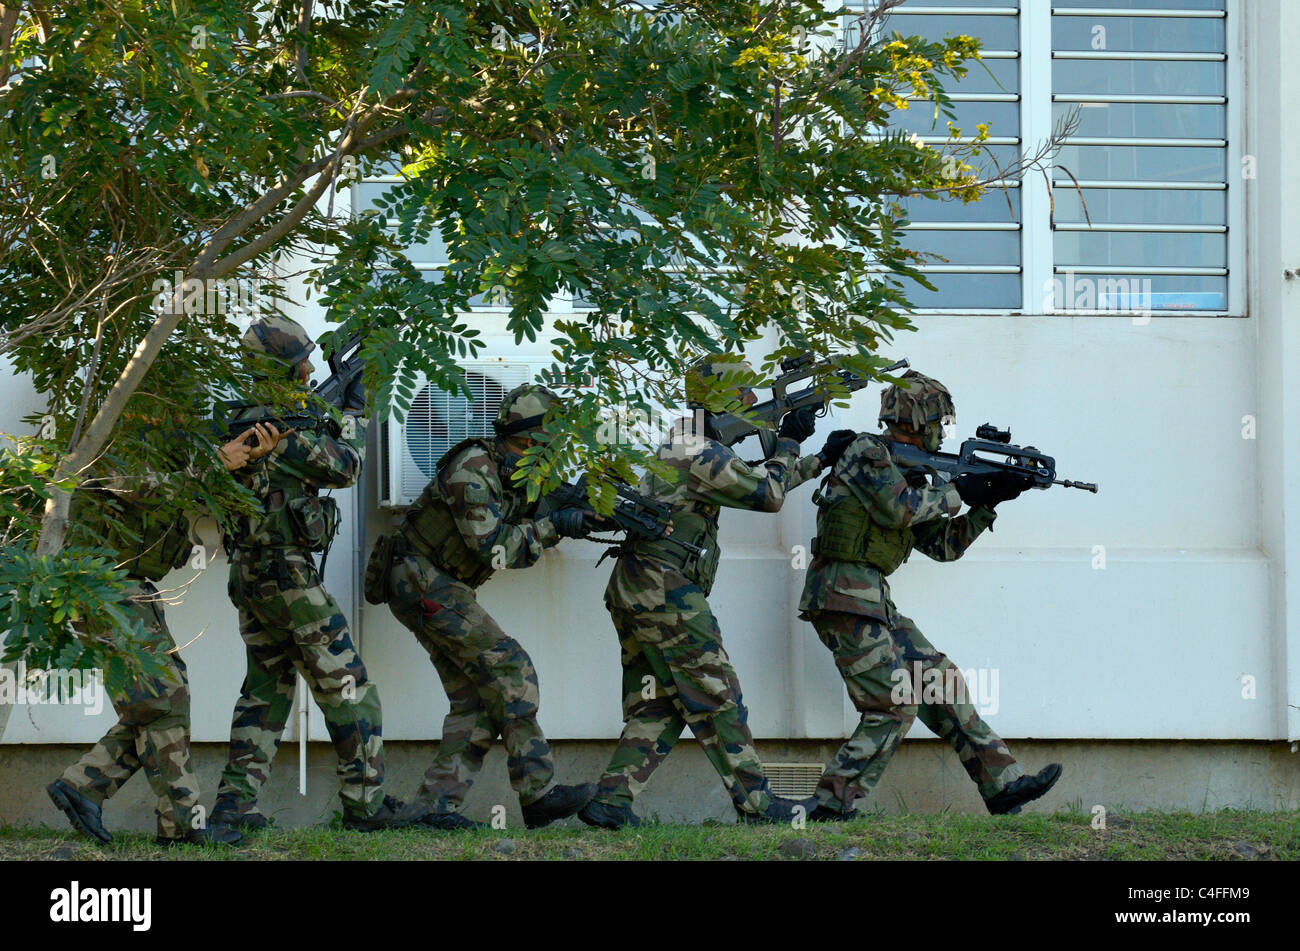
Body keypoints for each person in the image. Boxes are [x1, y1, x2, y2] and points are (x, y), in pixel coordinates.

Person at [578, 355, 840, 828]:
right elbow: (767, 496)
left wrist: (819, 460)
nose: (753, 401)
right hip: (664, 590)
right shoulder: (699, 449)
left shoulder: (688, 443)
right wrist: (789, 441)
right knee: (718, 695)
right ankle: (758, 805)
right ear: (723, 398)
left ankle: (610, 802)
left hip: (641, 585)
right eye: (746, 393)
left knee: (661, 701)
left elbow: (756, 485)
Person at [799, 369, 1062, 821]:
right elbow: (900, 510)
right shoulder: (869, 453)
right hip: (841, 596)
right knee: (894, 704)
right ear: (921, 420)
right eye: (940, 421)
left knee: (940, 681)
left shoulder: (912, 474)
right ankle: (830, 805)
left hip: (872, 600)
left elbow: (944, 546)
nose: (943, 430)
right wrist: (960, 488)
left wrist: (988, 501)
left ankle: (1002, 785)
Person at [210, 316, 426, 833]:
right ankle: (366, 808)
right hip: (287, 581)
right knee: (350, 688)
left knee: (266, 690)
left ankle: (228, 814)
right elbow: (346, 467)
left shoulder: (241, 416)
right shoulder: (274, 430)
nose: (308, 368)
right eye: (299, 361)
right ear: (279, 370)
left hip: (250, 576)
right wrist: (357, 407)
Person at [368, 383, 598, 830]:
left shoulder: (517, 470)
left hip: (439, 582)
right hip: (419, 579)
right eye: (550, 445)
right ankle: (538, 794)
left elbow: (530, 509)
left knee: (476, 701)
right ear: (530, 441)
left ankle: (430, 810)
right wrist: (555, 527)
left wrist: (580, 510)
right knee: (510, 668)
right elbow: (493, 549)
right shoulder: (472, 468)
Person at [47, 422, 282, 846]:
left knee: (161, 700)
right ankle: (177, 825)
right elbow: (134, 484)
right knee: (162, 700)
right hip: (98, 583)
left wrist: (245, 465)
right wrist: (213, 464)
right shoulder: (120, 436)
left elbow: (217, 502)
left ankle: (86, 786)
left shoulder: (173, 442)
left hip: (127, 587)